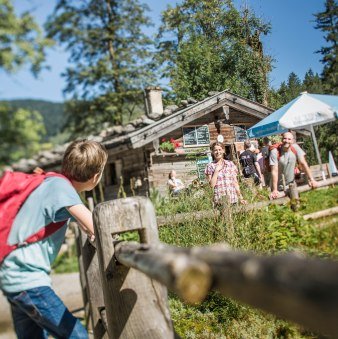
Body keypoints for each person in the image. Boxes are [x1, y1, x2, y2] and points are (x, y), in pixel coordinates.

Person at [0, 139, 108, 338]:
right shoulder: (62, 189)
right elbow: (97, 225)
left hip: (12, 277)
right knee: (77, 336)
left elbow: (84, 224)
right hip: (27, 280)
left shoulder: (51, 182)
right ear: (96, 176)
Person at [270, 132, 318, 199]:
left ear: (292, 141)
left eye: (289, 139)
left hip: (292, 185)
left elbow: (303, 163)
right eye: (285, 138)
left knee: (296, 205)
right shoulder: (275, 152)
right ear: (281, 139)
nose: (287, 141)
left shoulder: (295, 148)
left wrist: (312, 179)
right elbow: (274, 171)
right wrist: (275, 190)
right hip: (278, 187)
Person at [205, 142, 247, 206]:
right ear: (212, 152)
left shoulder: (230, 164)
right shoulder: (210, 166)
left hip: (232, 198)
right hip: (219, 200)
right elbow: (211, 185)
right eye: (215, 150)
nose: (218, 152)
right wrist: (216, 171)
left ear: (223, 151)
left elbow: (235, 182)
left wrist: (240, 197)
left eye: (219, 149)